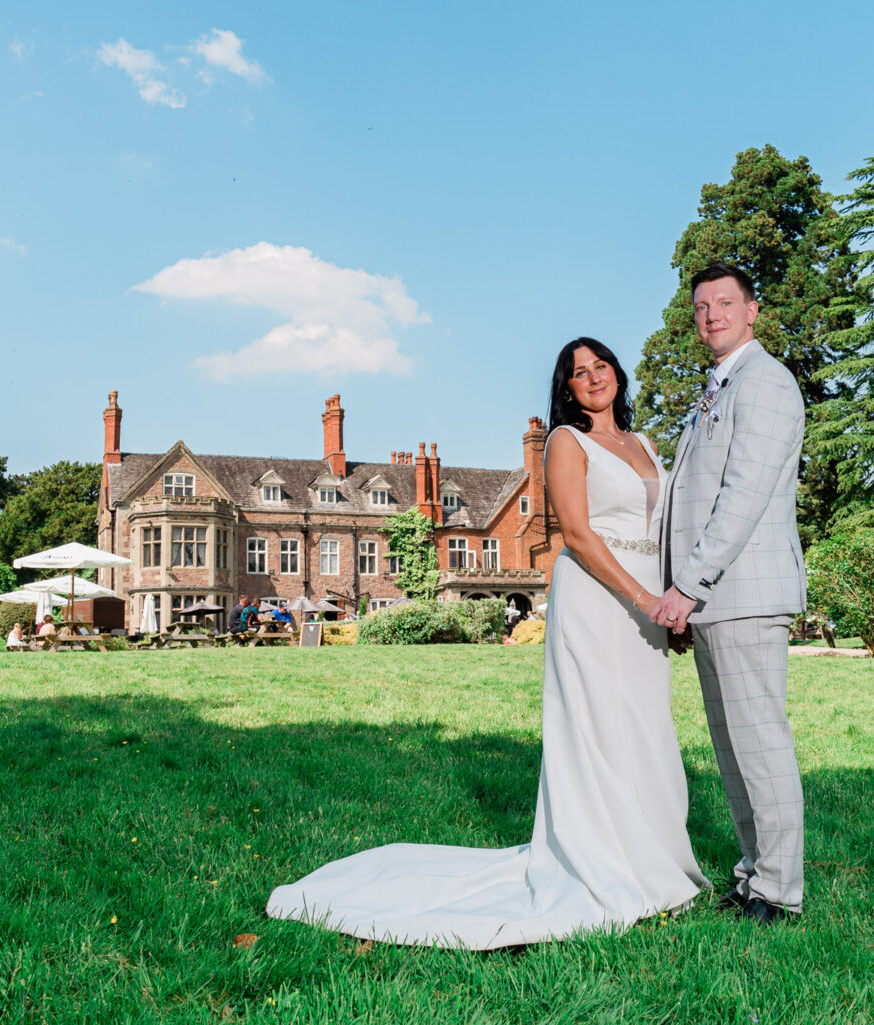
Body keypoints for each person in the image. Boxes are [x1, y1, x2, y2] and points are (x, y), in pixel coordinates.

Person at [266, 338, 708, 948]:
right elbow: (577, 535)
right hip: (600, 602)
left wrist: (672, 605)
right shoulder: (563, 442)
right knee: (598, 727)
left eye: (600, 366)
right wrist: (644, 599)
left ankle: (654, 855)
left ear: (617, 373)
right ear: (567, 388)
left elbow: (659, 531)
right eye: (579, 373)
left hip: (649, 606)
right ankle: (603, 864)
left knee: (646, 725)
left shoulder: (646, 445)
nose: (593, 378)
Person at [649, 264, 808, 927]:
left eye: (724, 303)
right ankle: (753, 876)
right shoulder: (717, 389)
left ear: (752, 311)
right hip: (716, 599)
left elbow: (740, 499)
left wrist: (687, 585)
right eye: (700, 306)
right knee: (732, 748)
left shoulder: (766, 383)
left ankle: (780, 889)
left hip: (743, 592)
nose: (711, 314)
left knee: (760, 744)